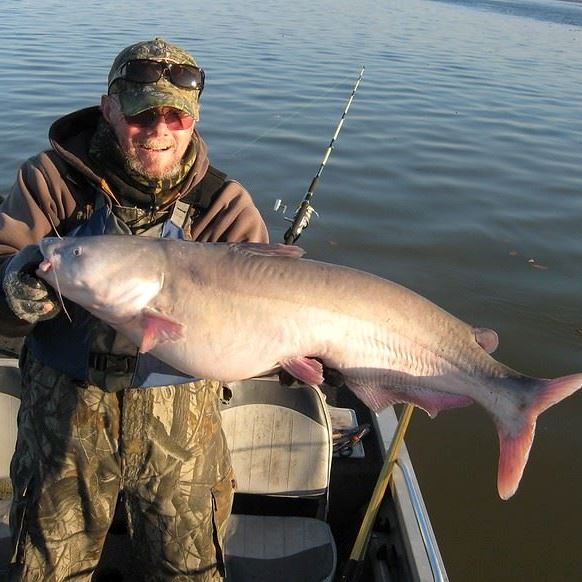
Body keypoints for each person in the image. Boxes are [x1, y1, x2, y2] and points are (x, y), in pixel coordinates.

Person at [0, 38, 268, 581]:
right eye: (143, 114)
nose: (160, 130)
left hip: (182, 431)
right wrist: (14, 284)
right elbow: (5, 261)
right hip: (63, 424)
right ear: (110, 108)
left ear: (193, 119)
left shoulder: (223, 205)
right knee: (47, 569)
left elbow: (270, 302)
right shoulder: (52, 181)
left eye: (176, 116)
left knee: (187, 572)